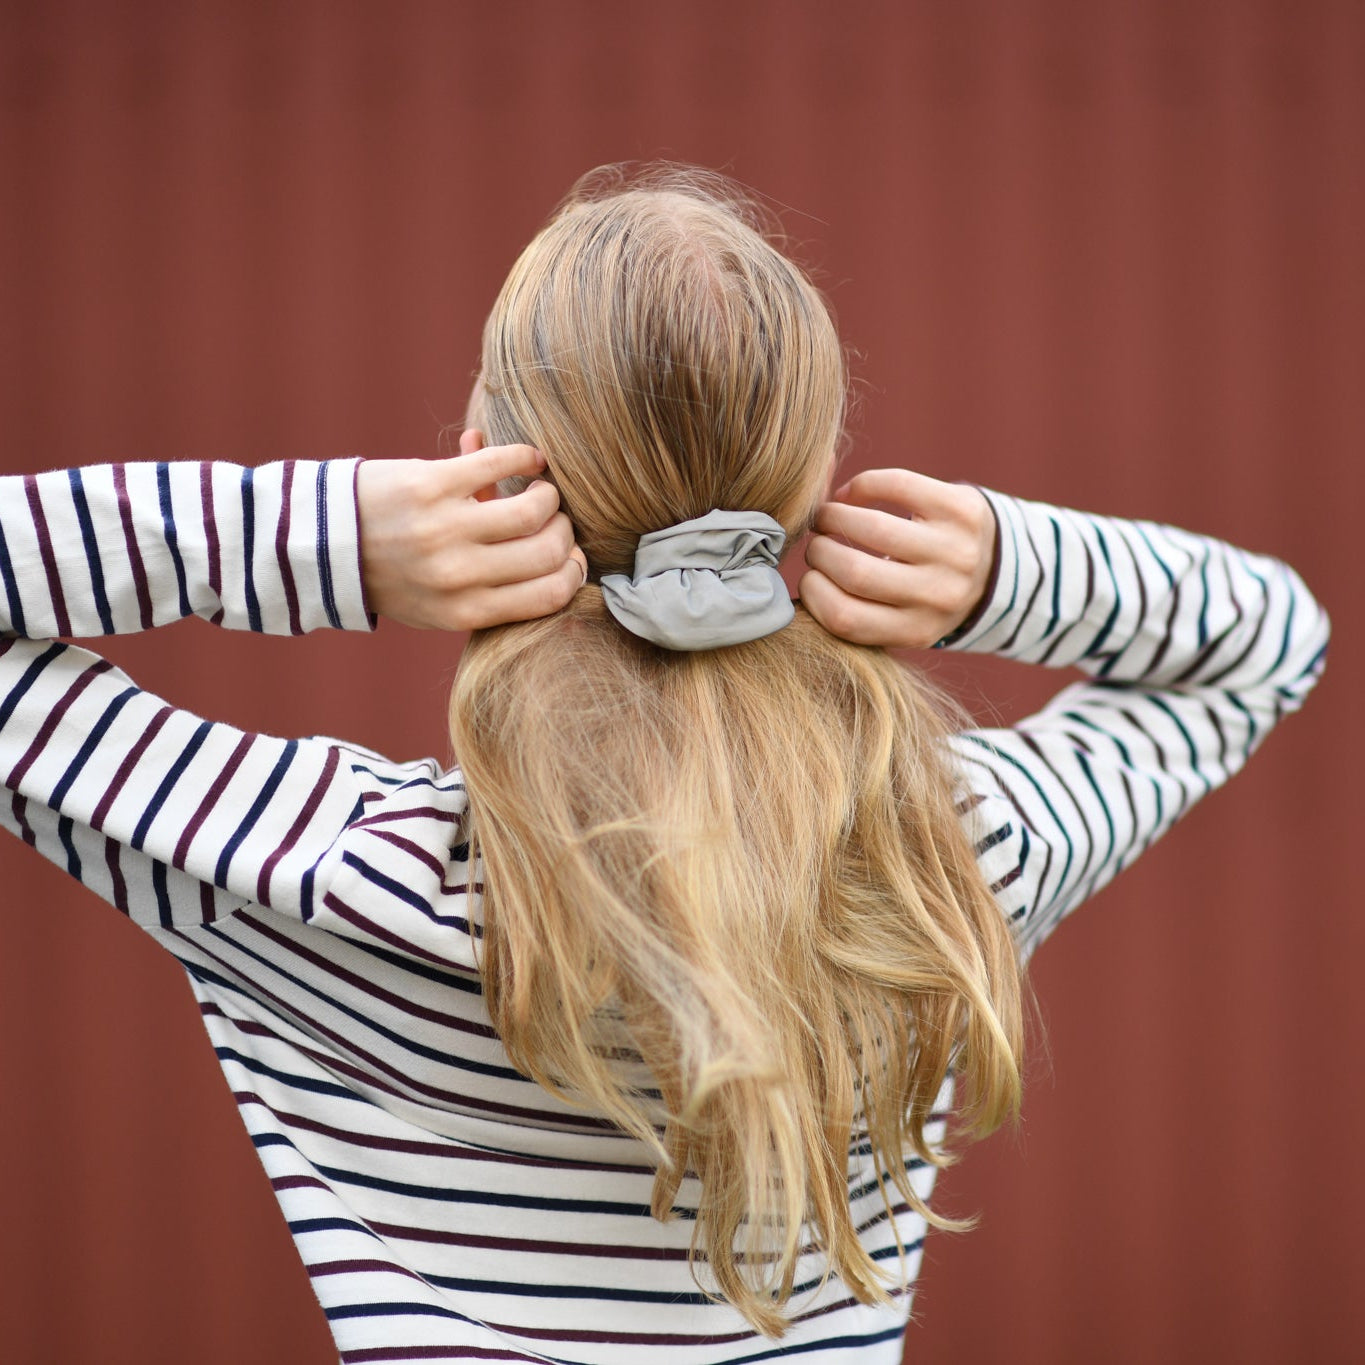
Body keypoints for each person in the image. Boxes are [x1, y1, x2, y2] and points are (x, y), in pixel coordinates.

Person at [0, 165, 1327, 1365]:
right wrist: (1001, 567)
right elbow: (1269, 643)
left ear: (472, 482)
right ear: (814, 490)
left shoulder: (338, 879)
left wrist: (325, 539)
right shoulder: (941, 860)